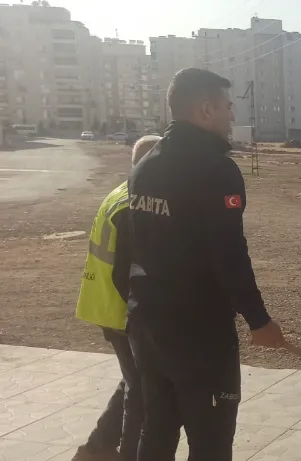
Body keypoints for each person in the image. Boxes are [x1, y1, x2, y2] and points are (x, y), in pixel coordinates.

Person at [126, 68, 285, 461]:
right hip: (200, 334)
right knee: (211, 442)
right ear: (205, 108)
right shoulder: (216, 169)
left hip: (149, 324)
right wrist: (258, 320)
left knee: (158, 430)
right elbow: (229, 254)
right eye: (228, 107)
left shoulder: (144, 166)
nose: (232, 117)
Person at [71, 135, 160, 461]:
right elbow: (127, 272)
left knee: (133, 381)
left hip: (107, 307)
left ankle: (97, 447)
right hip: (122, 312)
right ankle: (125, 454)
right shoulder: (132, 204)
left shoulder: (121, 194)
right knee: (141, 391)